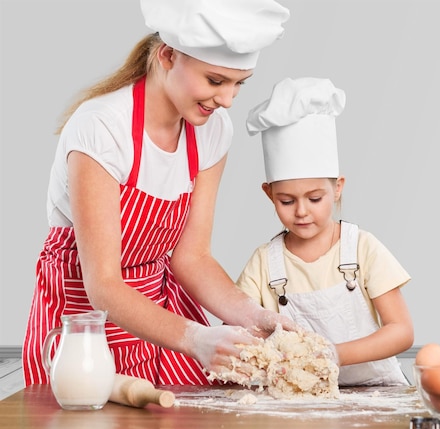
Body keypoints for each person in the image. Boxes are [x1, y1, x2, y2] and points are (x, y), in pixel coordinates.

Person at [22, 0, 298, 387]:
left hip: (161, 309)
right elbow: (103, 284)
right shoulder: (101, 130)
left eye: (239, 83)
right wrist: (197, 339)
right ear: (167, 55)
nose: (227, 100)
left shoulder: (212, 130)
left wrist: (256, 316)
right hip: (86, 319)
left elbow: (192, 257)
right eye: (215, 81)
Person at [238, 77, 415, 386]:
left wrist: (334, 353)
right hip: (299, 396)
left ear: (337, 188)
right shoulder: (264, 263)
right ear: (269, 194)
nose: (302, 211)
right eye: (287, 200)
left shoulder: (362, 248)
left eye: (315, 198)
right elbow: (237, 330)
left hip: (377, 393)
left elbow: (401, 331)